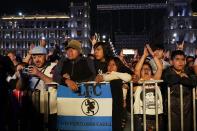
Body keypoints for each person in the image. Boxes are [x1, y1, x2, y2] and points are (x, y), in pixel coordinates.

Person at [162, 50, 196, 131]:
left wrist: (181, 78)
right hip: (172, 110)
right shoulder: (167, 72)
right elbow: (169, 79)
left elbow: (194, 81)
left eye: (182, 59)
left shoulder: (188, 70)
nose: (180, 62)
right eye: (177, 59)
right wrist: (181, 76)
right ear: (171, 61)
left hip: (187, 109)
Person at [95, 57, 132, 131]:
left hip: (117, 107)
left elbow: (128, 77)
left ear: (118, 66)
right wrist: (106, 76)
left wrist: (112, 74)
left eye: (113, 64)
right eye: (109, 65)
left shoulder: (121, 75)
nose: (110, 67)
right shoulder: (103, 75)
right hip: (104, 106)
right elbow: (98, 79)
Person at [133, 44, 163, 131]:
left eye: (148, 69)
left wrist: (152, 54)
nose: (146, 70)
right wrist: (144, 55)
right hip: (141, 116)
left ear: (151, 72)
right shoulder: (138, 81)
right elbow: (136, 70)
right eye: (143, 69)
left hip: (157, 114)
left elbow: (160, 68)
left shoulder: (155, 80)